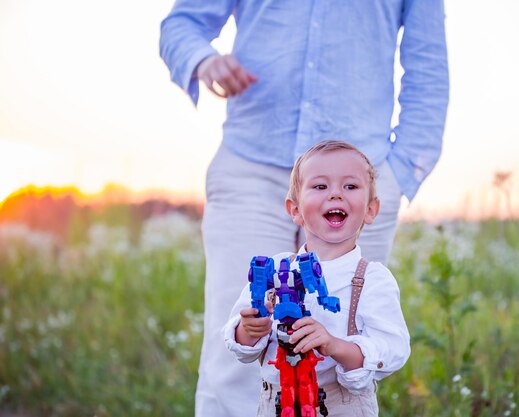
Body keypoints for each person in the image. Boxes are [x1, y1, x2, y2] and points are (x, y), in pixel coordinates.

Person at [159, 2, 448, 416]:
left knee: (344, 342)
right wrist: (202, 60)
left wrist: (399, 171)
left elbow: (428, 64)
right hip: (252, 164)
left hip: (357, 175)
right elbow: (182, 22)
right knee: (237, 356)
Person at [224, 140, 410, 417]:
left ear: (371, 209)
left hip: (341, 405)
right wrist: (250, 329)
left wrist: (334, 345)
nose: (335, 194)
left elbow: (392, 350)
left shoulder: (371, 279)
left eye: (350, 186)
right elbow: (241, 345)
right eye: (320, 186)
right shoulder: (275, 269)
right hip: (276, 403)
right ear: (295, 209)